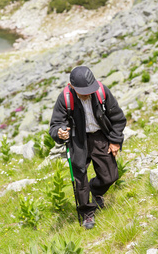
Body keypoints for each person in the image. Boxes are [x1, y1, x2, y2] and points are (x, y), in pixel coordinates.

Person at [49, 66, 126, 229]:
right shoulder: (65, 98)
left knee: (110, 176)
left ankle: (96, 190)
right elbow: (55, 125)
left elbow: (118, 118)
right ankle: (87, 213)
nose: (86, 93)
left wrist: (115, 141)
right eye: (82, 91)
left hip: (99, 136)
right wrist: (60, 133)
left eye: (89, 89)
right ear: (71, 86)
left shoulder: (101, 92)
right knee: (80, 177)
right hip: (77, 139)